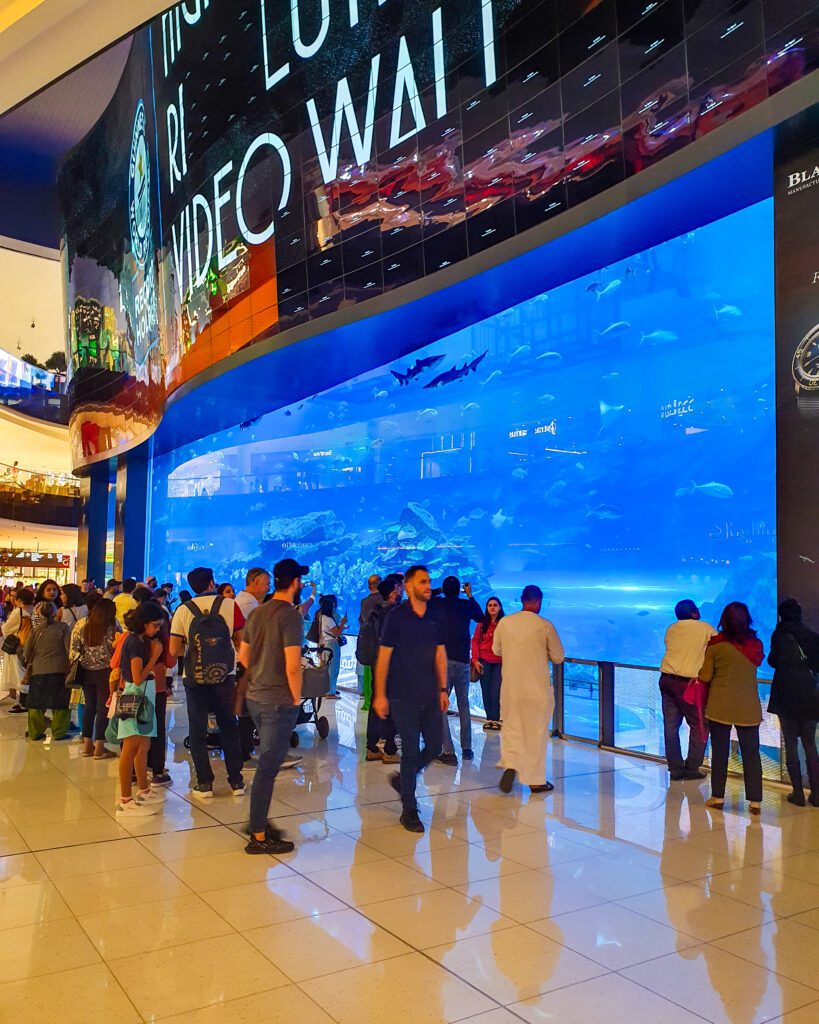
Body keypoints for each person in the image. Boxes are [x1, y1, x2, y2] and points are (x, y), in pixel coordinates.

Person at [238, 557, 307, 854]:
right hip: (278, 701)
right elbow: (293, 666)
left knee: (267, 765)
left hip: (255, 697)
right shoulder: (291, 616)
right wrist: (295, 697)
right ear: (294, 583)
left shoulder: (258, 612)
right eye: (300, 580)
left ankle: (257, 820)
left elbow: (243, 658)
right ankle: (259, 835)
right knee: (267, 768)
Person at [373, 564, 448, 833]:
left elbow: (440, 653)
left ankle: (405, 782)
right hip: (402, 695)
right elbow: (384, 657)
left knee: (435, 746)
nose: (428, 585)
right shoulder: (397, 617)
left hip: (429, 693)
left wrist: (442, 690)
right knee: (411, 751)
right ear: (409, 584)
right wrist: (379, 694)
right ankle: (409, 809)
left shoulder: (435, 615)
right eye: (423, 582)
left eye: (429, 581)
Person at [170, 567, 245, 798]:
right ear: (212, 583)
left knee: (197, 729)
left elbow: (174, 650)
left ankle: (205, 783)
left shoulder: (182, 610)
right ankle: (236, 782)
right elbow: (240, 641)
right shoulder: (230, 605)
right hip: (225, 675)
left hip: (194, 677)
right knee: (229, 726)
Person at [493, 584, 565, 795]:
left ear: (521, 600)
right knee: (536, 734)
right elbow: (559, 656)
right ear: (538, 601)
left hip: (510, 689)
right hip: (536, 690)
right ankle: (535, 781)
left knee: (512, 728)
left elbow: (496, 650)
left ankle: (511, 763)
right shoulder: (545, 625)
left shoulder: (505, 623)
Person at [699, 602, 765, 815]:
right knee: (751, 754)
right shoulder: (756, 645)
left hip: (721, 705)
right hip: (748, 707)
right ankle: (755, 802)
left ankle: (717, 797)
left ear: (723, 621)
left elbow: (706, 675)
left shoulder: (716, 646)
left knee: (719, 753)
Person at [115, 603, 167, 818]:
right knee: (131, 747)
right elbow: (137, 678)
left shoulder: (138, 640)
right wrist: (154, 657)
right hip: (136, 694)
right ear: (144, 623)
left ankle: (143, 790)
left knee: (143, 745)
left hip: (144, 693)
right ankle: (125, 800)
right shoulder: (134, 643)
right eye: (155, 626)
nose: (156, 630)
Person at [767, 599, 819, 807]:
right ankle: (816, 794)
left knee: (789, 742)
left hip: (785, 694)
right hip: (809, 695)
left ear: (781, 615)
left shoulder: (779, 635)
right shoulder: (812, 637)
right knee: (810, 745)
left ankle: (797, 792)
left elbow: (772, 661)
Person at [658, 599, 717, 781]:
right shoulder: (705, 628)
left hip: (666, 679)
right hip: (689, 684)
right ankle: (692, 767)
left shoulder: (671, 628)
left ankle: (675, 769)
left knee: (670, 725)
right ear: (693, 613)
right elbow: (717, 646)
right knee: (699, 724)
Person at [432, 576, 482, 765]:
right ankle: (467, 749)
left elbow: (424, 599)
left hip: (443, 660)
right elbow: (481, 617)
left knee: (441, 705)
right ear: (460, 589)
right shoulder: (465, 605)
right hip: (462, 660)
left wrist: (438, 591)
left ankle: (448, 751)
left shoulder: (439, 604)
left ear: (444, 590)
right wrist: (470, 595)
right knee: (464, 706)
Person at [71, 598, 119, 758]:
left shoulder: (83, 626)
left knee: (89, 707)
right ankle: (99, 747)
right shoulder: (112, 628)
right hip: (105, 672)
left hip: (85, 671)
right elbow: (116, 651)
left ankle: (87, 746)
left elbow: (74, 650)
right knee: (103, 708)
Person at [23, 601, 71, 741]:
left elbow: (27, 652)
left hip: (38, 670)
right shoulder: (63, 627)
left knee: (36, 703)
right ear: (56, 613)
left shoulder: (36, 630)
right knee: (61, 703)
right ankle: (59, 732)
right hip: (59, 670)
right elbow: (68, 649)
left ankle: (35, 732)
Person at [364, 577, 400, 764]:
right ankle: (390, 749)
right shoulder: (394, 613)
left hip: (375, 663)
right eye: (399, 589)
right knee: (390, 706)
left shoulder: (375, 610)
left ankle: (371, 747)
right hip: (391, 665)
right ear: (393, 592)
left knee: (375, 704)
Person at [472, 596, 504, 730]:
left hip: (499, 661)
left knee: (496, 691)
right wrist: (475, 659)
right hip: (484, 661)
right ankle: (489, 718)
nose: (492, 607)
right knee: (485, 690)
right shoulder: (481, 624)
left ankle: (496, 719)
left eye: (495, 605)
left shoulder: (504, 624)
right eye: (490, 605)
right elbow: (475, 641)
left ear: (500, 607)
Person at [2, 587, 33, 713]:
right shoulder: (34, 610)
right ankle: (23, 701)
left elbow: (6, 629)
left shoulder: (18, 612)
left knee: (19, 672)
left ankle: (23, 702)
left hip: (18, 646)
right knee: (25, 671)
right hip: (29, 646)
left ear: (19, 599)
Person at [359, 574, 382, 710]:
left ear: (369, 586)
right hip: (382, 643)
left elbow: (362, 620)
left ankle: (370, 702)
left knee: (370, 676)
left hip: (368, 644)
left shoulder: (364, 602)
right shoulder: (382, 599)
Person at [316, 594, 347, 698]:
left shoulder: (322, 617)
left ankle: (327, 689)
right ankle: (330, 692)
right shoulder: (329, 619)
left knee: (327, 668)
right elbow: (337, 633)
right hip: (332, 644)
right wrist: (342, 623)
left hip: (326, 644)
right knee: (333, 668)